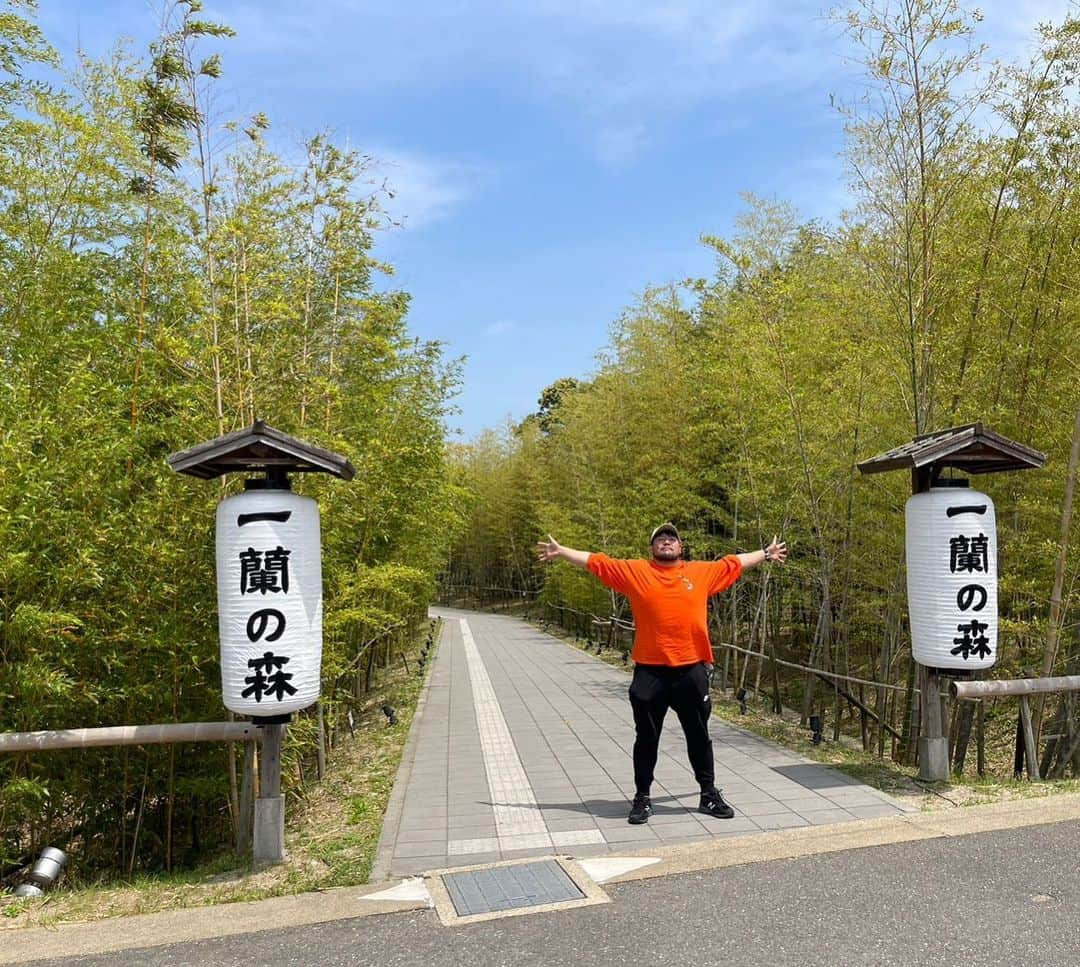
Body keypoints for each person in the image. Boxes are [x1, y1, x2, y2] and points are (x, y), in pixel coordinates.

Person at [536, 523, 787, 824]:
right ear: (652, 548)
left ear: (681, 547)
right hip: (650, 673)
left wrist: (765, 554)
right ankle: (642, 798)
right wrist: (562, 551)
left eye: (672, 538)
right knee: (646, 737)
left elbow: (733, 562)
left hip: (691, 669)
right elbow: (597, 561)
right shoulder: (636, 572)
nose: (666, 541)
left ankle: (708, 794)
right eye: (660, 538)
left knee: (699, 736)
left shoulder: (699, 572)